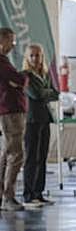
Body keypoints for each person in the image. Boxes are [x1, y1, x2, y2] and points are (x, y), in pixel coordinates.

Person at [21, 43, 58, 206]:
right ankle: (29, 194)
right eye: (32, 55)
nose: (35, 58)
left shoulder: (45, 74)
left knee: (42, 156)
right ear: (27, 58)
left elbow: (56, 93)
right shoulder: (25, 75)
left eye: (38, 55)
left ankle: (39, 192)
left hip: (45, 118)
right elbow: (36, 94)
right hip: (31, 120)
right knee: (31, 157)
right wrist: (47, 92)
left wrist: (46, 92)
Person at [0, 27, 27, 211]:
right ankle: (8, 197)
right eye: (11, 40)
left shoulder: (4, 61)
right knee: (16, 154)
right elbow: (17, 79)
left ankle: (4, 194)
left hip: (9, 109)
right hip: (10, 110)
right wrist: (23, 77)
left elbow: (15, 81)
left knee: (7, 152)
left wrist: (17, 81)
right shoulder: (2, 62)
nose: (13, 44)